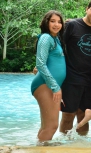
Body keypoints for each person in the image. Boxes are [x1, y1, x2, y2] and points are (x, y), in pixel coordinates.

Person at [58, 0, 91, 135]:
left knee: (84, 117)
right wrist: (41, 65)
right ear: (86, 9)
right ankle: (64, 146)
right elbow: (56, 46)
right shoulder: (72, 25)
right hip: (71, 78)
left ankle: (82, 147)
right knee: (68, 116)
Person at [31, 10, 66, 142]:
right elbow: (40, 63)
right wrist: (55, 86)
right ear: (46, 22)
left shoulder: (55, 39)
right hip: (45, 85)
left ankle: (38, 148)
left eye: (59, 22)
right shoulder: (46, 38)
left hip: (51, 85)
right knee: (52, 126)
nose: (56, 24)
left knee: (47, 126)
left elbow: (47, 61)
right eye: (53, 21)